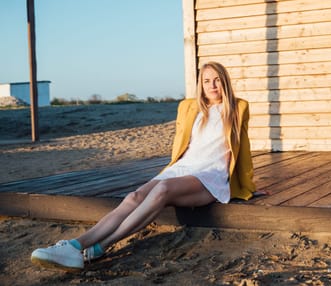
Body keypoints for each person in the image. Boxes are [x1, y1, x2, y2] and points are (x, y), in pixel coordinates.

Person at [30, 61, 257, 271]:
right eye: (206, 81)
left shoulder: (237, 108)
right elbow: (183, 144)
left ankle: (101, 247)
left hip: (210, 175)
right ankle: (73, 246)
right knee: (134, 197)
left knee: (163, 189)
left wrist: (247, 185)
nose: (212, 85)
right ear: (201, 84)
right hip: (184, 168)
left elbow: (243, 149)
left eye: (217, 79)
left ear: (224, 81)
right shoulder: (192, 109)